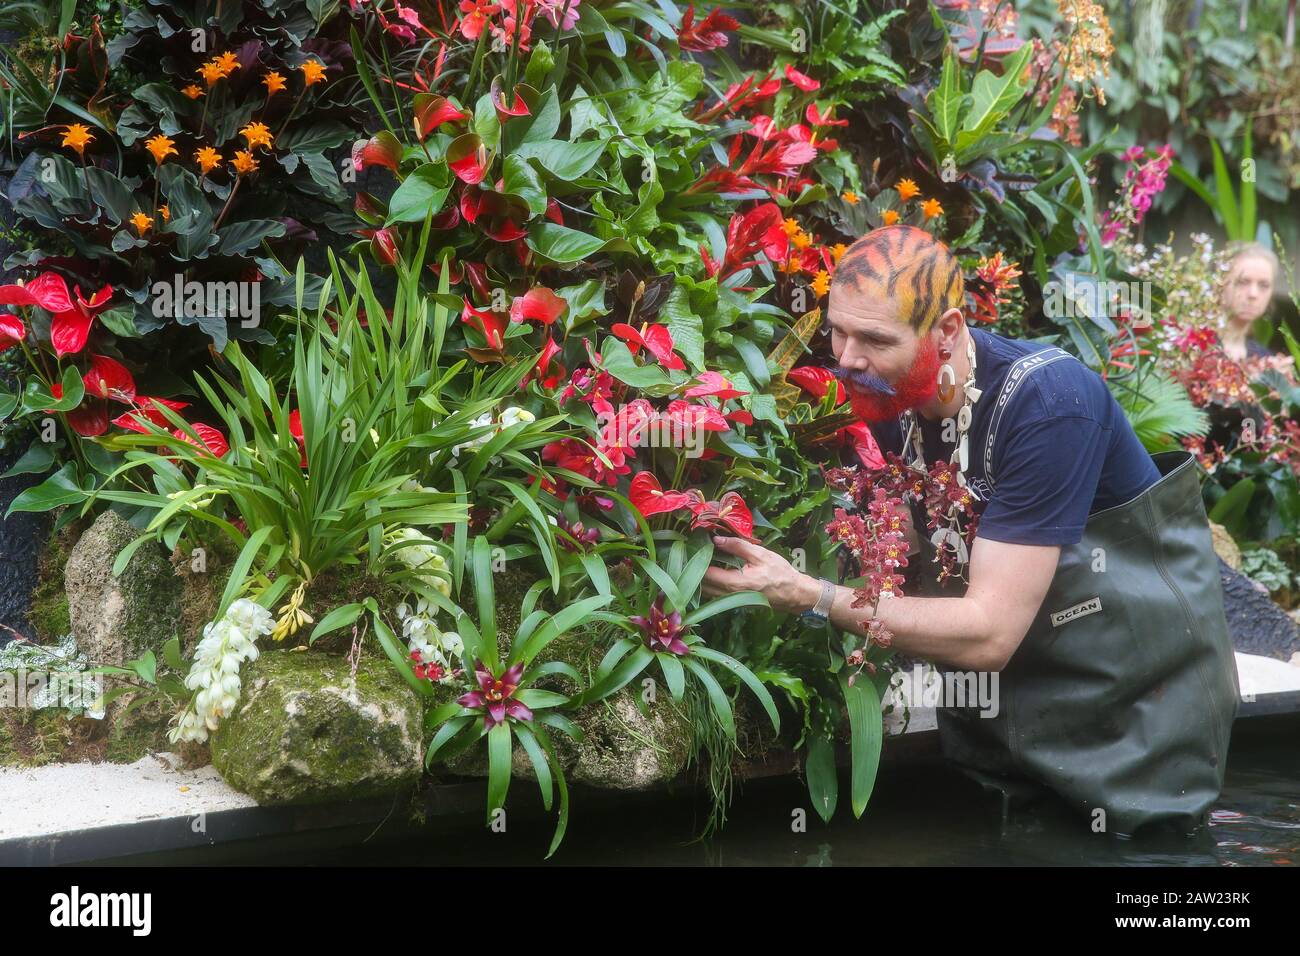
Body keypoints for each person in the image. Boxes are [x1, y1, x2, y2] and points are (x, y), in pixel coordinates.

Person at [702, 225, 1239, 836]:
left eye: (874, 338)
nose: (847, 358)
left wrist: (809, 595)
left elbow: (988, 635)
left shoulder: (1051, 404)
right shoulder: (883, 393)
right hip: (1004, 733)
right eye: (838, 330)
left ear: (948, 331)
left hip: (1135, 730)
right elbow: (890, 563)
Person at [1220, 242, 1280, 362]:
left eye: (1264, 285)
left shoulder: (1266, 361)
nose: (1253, 294)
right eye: (1242, 282)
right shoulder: (1192, 346)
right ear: (1219, 284)